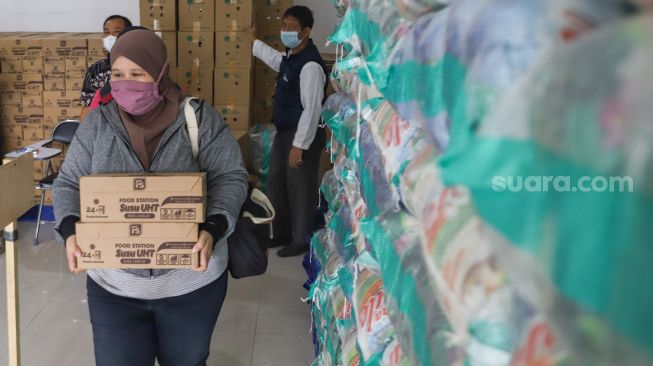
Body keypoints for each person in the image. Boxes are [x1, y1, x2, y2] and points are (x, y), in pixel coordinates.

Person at [53, 29, 248, 365]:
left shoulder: (198, 119)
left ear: (159, 73)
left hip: (190, 286)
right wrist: (70, 230)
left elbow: (230, 176)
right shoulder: (97, 123)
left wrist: (213, 227)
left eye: (137, 74)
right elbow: (69, 182)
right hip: (115, 288)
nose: (125, 83)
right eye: (117, 74)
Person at [250, 5, 328, 257]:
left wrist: (299, 146)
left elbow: (312, 109)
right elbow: (276, 61)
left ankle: (301, 238)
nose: (286, 31)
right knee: (276, 182)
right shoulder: (291, 57)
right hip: (285, 131)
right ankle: (281, 232)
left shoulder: (310, 66)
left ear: (306, 31)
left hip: (301, 134)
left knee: (300, 187)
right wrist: (255, 41)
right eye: (284, 26)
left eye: (292, 27)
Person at [79, 15, 132, 122]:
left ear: (128, 34)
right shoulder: (96, 69)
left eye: (116, 32)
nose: (110, 37)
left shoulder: (140, 65)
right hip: (104, 126)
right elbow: (88, 108)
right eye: (107, 32)